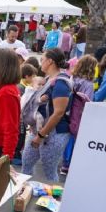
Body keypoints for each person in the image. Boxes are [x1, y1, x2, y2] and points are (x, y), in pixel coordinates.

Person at [22, 48, 72, 182]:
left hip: (54, 133)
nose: (41, 63)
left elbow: (59, 113)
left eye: (42, 60)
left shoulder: (61, 83)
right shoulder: (49, 78)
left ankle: (52, 200)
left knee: (49, 171)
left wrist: (40, 135)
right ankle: (24, 193)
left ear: (50, 61)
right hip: (39, 130)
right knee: (26, 163)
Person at [60, 55, 96, 175]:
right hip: (79, 115)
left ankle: (64, 162)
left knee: (67, 137)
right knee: (74, 137)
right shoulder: (88, 84)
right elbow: (88, 102)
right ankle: (68, 164)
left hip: (67, 111)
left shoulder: (72, 78)